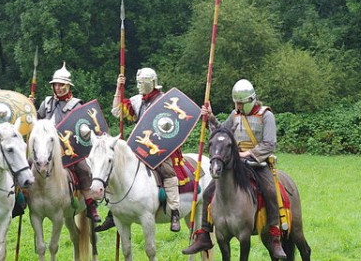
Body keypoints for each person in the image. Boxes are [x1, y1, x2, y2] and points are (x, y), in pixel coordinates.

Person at [181, 79, 286, 259]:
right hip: (235, 164)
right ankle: (204, 234)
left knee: (270, 192)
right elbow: (222, 132)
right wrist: (210, 117)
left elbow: (270, 143)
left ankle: (275, 238)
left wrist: (248, 154)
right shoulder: (234, 114)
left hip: (258, 164)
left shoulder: (266, 115)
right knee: (207, 194)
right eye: (235, 102)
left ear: (250, 100)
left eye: (240, 103)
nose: (238, 106)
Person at [95, 67, 182, 233]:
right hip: (139, 145)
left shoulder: (166, 101)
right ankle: (112, 214)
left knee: (168, 171)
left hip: (160, 147)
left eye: (142, 83)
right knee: (114, 168)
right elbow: (116, 111)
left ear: (152, 83)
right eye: (138, 83)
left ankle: (175, 211)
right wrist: (118, 88)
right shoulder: (137, 100)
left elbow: (171, 128)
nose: (139, 86)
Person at [36, 62, 101, 223]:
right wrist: (31, 107)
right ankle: (22, 197)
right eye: (56, 84)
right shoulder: (47, 103)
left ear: (68, 86)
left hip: (68, 149)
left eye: (61, 84)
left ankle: (90, 204)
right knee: (27, 164)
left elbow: (80, 128)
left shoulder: (76, 105)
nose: (58, 87)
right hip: (47, 147)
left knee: (83, 169)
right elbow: (37, 120)